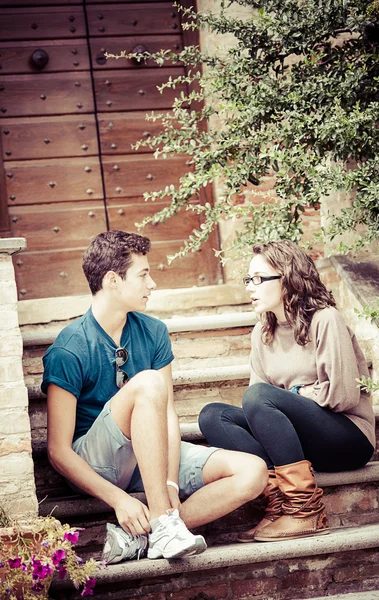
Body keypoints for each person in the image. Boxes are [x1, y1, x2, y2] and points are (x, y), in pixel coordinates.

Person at [42, 230, 268, 563]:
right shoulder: (70, 347)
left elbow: (169, 416)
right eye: (143, 275)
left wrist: (170, 483)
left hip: (150, 455)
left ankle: (145, 536)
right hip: (98, 463)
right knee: (148, 383)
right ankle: (163, 522)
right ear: (113, 281)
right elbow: (58, 451)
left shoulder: (153, 331)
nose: (153, 284)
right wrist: (119, 499)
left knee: (253, 472)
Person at [199, 241, 375, 543]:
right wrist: (296, 396)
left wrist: (291, 394)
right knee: (213, 416)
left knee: (260, 397)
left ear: (287, 279)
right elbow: (258, 405)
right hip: (300, 445)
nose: (250, 287)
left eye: (259, 279)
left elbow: (343, 395)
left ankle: (305, 510)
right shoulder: (262, 332)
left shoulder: (325, 319)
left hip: (348, 438)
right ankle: (279, 503)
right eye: (248, 279)